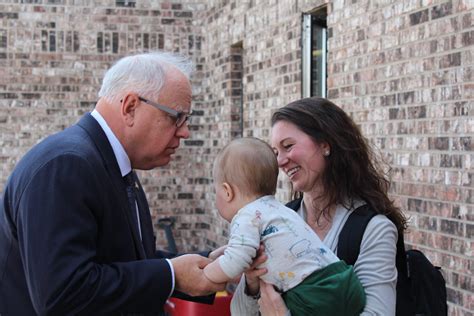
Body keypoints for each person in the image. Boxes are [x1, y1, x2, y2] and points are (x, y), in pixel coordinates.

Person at [0, 52, 225, 315]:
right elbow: (64, 294)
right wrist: (171, 274)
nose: (185, 131)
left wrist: (208, 267)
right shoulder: (65, 165)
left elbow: (126, 261)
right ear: (130, 106)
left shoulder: (110, 163)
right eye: (176, 117)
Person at [231, 97, 408, 315]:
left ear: (325, 144)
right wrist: (252, 280)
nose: (279, 161)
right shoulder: (275, 220)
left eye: (288, 146)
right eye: (275, 152)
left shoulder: (373, 230)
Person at [205, 137, 366, 316]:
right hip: (343, 281)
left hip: (310, 294)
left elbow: (235, 261)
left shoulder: (246, 216)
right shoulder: (280, 210)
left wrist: (207, 274)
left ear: (227, 191)